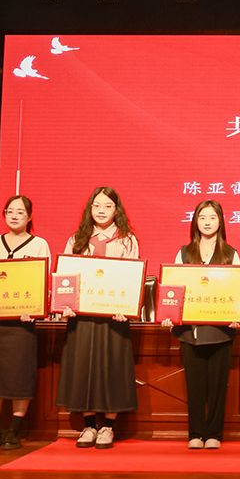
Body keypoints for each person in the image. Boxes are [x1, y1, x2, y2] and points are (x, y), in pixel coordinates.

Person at [56, 187, 139, 451]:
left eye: (107, 206)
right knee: (84, 368)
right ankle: (89, 425)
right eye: (97, 206)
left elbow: (131, 279)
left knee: (112, 367)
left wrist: (126, 306)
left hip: (114, 317)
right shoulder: (76, 240)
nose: (101, 211)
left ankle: (108, 427)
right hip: (82, 317)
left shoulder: (127, 240)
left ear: (116, 210)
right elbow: (66, 278)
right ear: (89, 209)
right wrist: (65, 304)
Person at [0, 197, 50, 450]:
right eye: (10, 211)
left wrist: (35, 309)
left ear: (30, 216)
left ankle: (14, 430)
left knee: (19, 374)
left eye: (20, 212)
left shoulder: (39, 244)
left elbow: (44, 281)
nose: (14, 216)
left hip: (21, 322)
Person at [162, 200, 240, 450]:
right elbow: (174, 288)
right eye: (202, 217)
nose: (207, 222)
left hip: (220, 331)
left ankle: (214, 434)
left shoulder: (230, 253)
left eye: (212, 217)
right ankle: (195, 433)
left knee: (217, 386)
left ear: (221, 222)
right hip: (191, 331)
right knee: (194, 386)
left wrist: (237, 314)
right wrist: (169, 314)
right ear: (195, 221)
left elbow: (237, 290)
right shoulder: (184, 253)